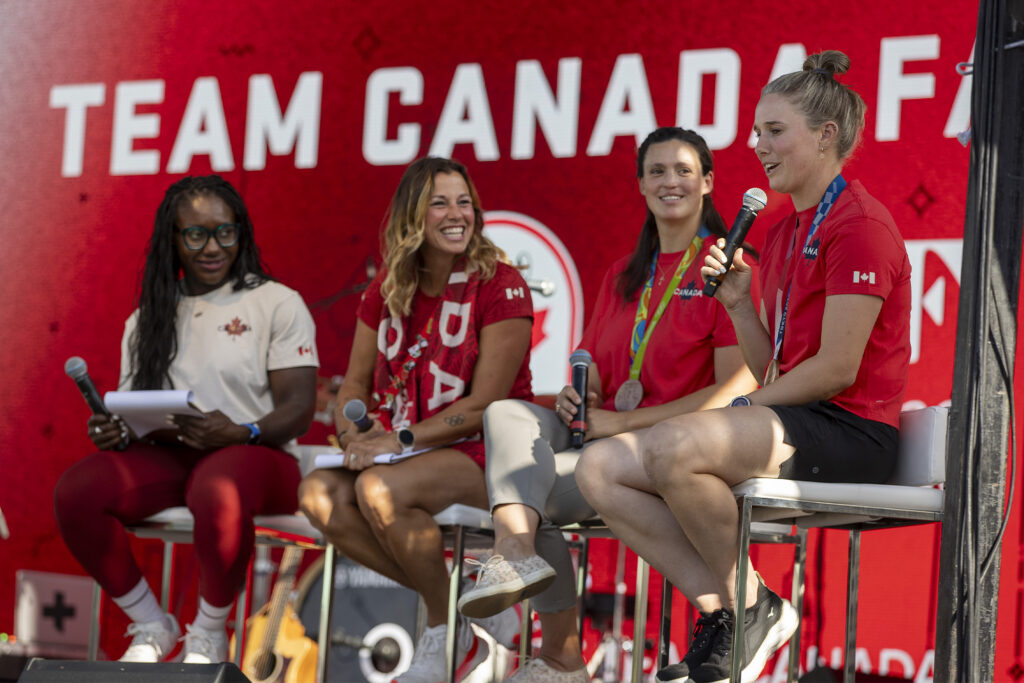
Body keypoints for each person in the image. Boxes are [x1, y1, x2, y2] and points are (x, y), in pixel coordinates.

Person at [576, 50, 913, 683]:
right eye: (757, 131)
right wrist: (737, 308)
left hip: (853, 432)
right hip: (797, 419)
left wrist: (738, 411)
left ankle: (752, 607)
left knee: (674, 446)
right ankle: (734, 608)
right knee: (599, 468)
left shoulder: (860, 224)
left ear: (826, 135)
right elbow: (776, 365)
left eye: (773, 131)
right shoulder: (785, 231)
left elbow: (837, 370)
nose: (756, 144)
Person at [456, 127, 759, 682]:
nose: (671, 181)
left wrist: (623, 420)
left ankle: (562, 657)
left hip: (664, 455)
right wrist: (581, 386)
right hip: (601, 442)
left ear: (708, 182)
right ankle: (516, 549)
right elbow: (594, 358)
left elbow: (731, 392)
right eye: (657, 171)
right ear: (641, 185)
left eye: (684, 170)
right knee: (504, 415)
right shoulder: (622, 274)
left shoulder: (727, 268)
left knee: (530, 482)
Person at [53, 175, 319, 664]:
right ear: (172, 240)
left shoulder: (276, 302)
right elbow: (136, 408)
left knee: (217, 484)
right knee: (78, 491)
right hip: (172, 458)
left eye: (226, 232)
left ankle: (209, 633)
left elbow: (298, 408)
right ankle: (153, 624)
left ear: (242, 233)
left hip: (259, 458)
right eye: (195, 234)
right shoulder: (148, 317)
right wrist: (114, 429)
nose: (213, 247)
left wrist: (242, 431)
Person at [297, 156, 534, 683]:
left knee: (380, 489)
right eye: (440, 203)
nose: (457, 214)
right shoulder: (385, 289)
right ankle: (456, 612)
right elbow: (354, 386)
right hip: (402, 451)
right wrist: (351, 433)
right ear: (412, 216)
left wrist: (394, 440)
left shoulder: (501, 284)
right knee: (317, 494)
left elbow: (484, 407)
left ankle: (441, 630)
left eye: (464, 202)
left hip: (487, 453)